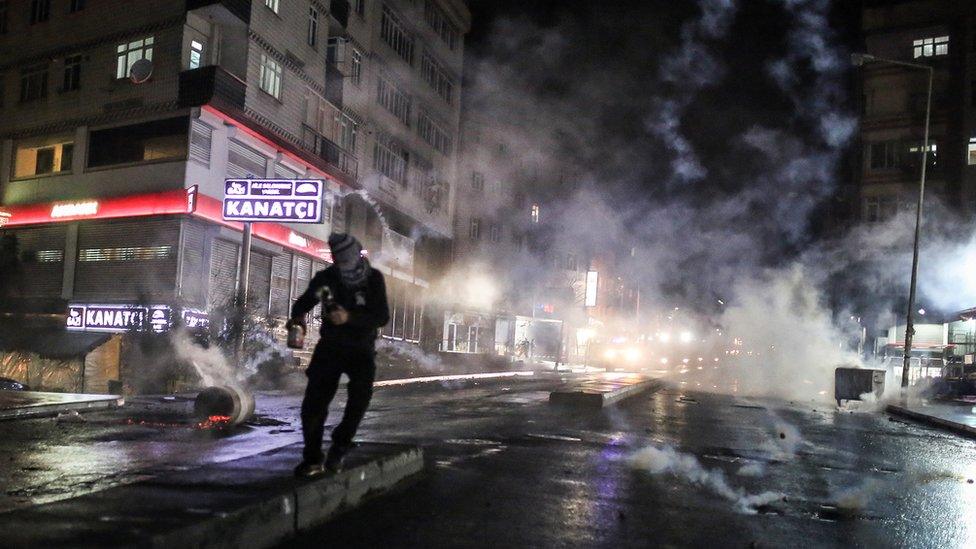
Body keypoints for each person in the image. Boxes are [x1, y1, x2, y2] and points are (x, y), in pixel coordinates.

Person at [288, 233, 390, 478]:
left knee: (359, 402)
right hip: (331, 346)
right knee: (313, 405)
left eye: (346, 257)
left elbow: (381, 316)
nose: (343, 263)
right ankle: (312, 459)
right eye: (338, 258)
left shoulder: (373, 279)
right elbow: (303, 303)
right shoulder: (327, 279)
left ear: (356, 255)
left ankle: (340, 445)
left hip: (361, 348)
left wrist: (350, 318)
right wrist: (297, 319)